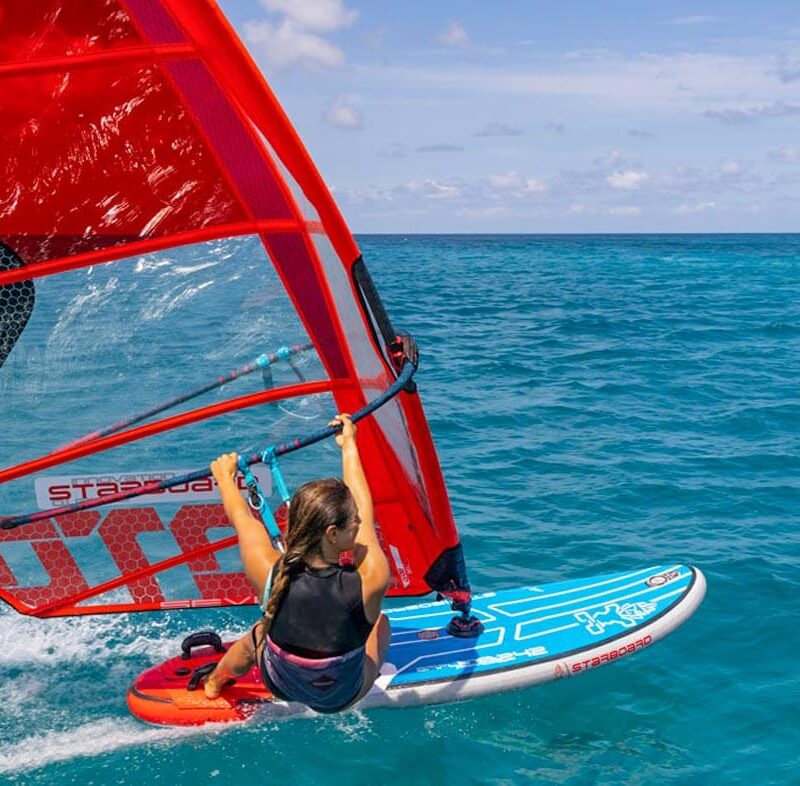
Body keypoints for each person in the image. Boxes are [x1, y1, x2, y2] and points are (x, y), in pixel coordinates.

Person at [203, 414, 391, 714]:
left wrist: (225, 479)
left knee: (259, 633)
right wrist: (349, 446)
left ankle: (214, 682)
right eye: (351, 520)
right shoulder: (371, 578)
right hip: (342, 694)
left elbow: (243, 519)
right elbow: (366, 514)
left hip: (281, 684)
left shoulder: (268, 570)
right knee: (381, 624)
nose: (358, 523)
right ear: (332, 533)